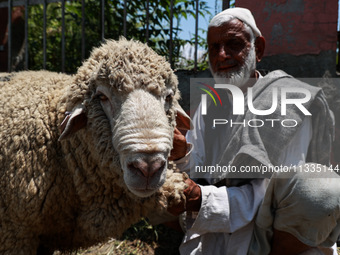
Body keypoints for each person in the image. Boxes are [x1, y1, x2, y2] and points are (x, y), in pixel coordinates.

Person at [167, 7, 340, 255]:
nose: (222, 55)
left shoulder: (289, 102)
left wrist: (204, 200)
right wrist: (183, 153)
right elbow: (200, 168)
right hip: (220, 225)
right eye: (213, 47)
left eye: (233, 44)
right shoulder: (210, 103)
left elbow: (279, 189)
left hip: (273, 231)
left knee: (316, 189)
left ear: (258, 49)